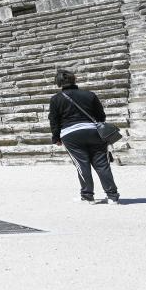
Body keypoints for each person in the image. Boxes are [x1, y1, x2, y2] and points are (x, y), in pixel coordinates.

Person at [49, 68, 120, 204]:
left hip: (70, 134)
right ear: (74, 79)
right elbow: (101, 116)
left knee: (82, 165)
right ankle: (112, 196)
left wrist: (56, 137)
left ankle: (87, 196)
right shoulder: (89, 95)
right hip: (93, 132)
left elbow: (54, 120)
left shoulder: (55, 99)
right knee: (102, 164)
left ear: (58, 83)